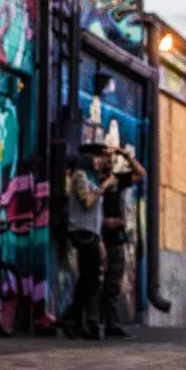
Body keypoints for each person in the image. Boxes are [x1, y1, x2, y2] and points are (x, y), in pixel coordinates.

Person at [97, 144, 145, 337]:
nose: (108, 161)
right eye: (104, 157)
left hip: (117, 237)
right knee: (96, 281)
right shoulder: (95, 180)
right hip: (99, 235)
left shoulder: (116, 180)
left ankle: (111, 322)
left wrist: (125, 154)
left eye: (110, 158)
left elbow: (141, 173)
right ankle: (94, 321)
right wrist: (104, 221)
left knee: (114, 280)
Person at [65, 147, 109, 339]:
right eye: (96, 157)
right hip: (81, 232)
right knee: (88, 279)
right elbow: (87, 201)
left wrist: (99, 238)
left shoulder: (91, 178)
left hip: (92, 234)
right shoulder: (80, 176)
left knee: (90, 279)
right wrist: (103, 187)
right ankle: (72, 318)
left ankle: (76, 320)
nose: (98, 161)